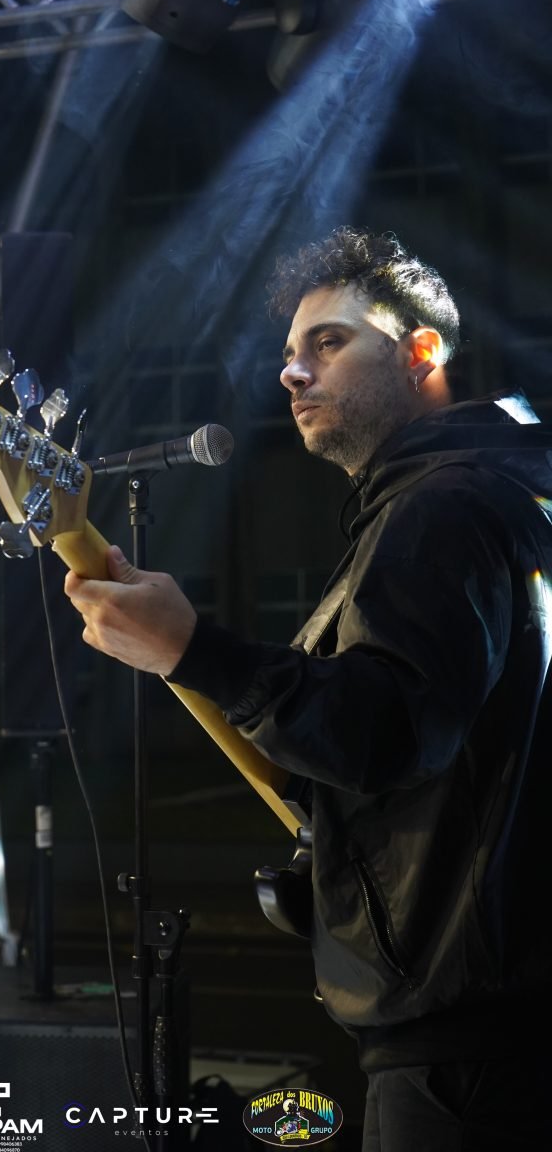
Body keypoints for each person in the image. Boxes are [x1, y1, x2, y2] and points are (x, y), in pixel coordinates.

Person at [63, 227, 552, 1150]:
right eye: (290, 353)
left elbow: (385, 731)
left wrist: (195, 649)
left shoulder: (441, 508)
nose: (292, 373)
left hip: (465, 1056)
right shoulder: (510, 495)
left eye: (329, 342)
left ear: (419, 352)